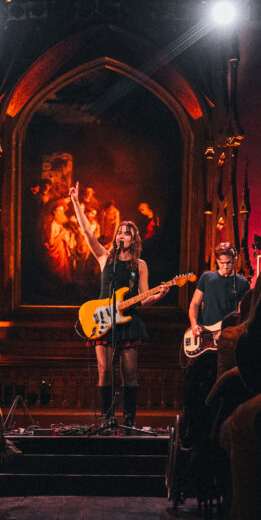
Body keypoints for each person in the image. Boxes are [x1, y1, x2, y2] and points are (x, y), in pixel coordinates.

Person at [68, 181, 164, 430]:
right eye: (120, 231)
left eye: (127, 232)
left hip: (129, 321)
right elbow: (87, 232)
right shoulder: (104, 257)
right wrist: (76, 203)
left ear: (134, 239)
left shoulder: (140, 265)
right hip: (103, 320)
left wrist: (158, 295)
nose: (122, 234)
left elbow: (144, 298)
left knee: (130, 373)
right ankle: (107, 417)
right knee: (104, 371)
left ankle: (129, 419)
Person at [187, 242, 249, 340]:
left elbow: (243, 313)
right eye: (221, 263)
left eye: (228, 262)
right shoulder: (206, 278)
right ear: (217, 261)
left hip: (227, 334)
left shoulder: (243, 283)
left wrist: (231, 330)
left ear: (234, 260)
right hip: (204, 331)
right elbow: (194, 304)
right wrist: (194, 325)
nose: (225, 266)